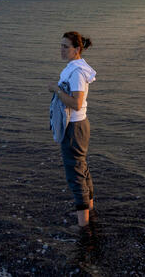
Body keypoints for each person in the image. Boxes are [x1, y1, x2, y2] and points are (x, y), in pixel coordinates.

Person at [48, 31, 97, 230]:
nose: (61, 50)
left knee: (75, 174)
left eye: (65, 46)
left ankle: (83, 226)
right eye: (60, 45)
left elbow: (76, 103)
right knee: (82, 168)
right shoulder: (78, 67)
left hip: (74, 128)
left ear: (77, 49)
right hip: (80, 126)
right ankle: (88, 211)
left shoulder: (76, 72)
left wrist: (56, 90)